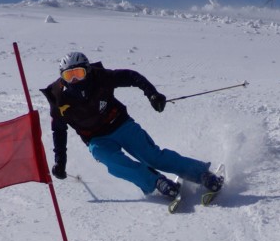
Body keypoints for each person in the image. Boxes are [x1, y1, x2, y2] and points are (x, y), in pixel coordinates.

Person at [40, 51, 223, 199]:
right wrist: (60, 162)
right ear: (62, 78)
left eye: (78, 73)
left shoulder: (101, 77)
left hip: (120, 124)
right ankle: (156, 182)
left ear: (87, 71)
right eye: (69, 76)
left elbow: (131, 76)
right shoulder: (59, 98)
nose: (75, 80)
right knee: (113, 162)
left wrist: (152, 94)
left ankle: (201, 174)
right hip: (96, 138)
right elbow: (59, 130)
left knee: (152, 156)